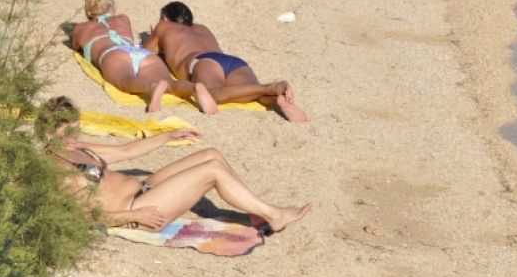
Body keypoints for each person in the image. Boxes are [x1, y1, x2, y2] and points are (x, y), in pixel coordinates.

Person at [36, 97, 311, 233]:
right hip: (138, 210)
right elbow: (86, 216)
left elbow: (127, 150)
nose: (72, 139)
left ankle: (253, 213)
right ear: (47, 133)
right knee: (212, 172)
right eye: (65, 134)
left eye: (75, 131)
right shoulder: (56, 171)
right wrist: (133, 217)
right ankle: (273, 215)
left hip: (145, 188)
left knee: (211, 154)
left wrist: (166, 137)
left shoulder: (80, 148)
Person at [146, 1, 309, 122]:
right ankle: (276, 98)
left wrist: (155, 37)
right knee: (254, 95)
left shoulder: (163, 27)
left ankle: (269, 87)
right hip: (232, 61)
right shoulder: (202, 28)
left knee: (214, 94)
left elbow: (144, 53)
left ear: (165, 19)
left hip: (203, 62)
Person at [70, 0, 216, 113]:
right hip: (140, 53)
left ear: (88, 12)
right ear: (111, 8)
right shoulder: (123, 19)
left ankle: (151, 87)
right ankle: (193, 88)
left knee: (126, 81)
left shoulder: (80, 28)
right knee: (170, 83)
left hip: (113, 53)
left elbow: (75, 45)